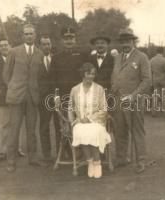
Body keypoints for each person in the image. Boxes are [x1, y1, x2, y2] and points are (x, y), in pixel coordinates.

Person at [3, 24, 44, 172]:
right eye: (26, 34)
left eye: (31, 34)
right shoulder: (13, 52)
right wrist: (13, 87)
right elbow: (6, 74)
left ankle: (32, 158)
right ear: (22, 36)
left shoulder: (40, 53)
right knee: (14, 129)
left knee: (31, 129)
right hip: (16, 97)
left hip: (32, 97)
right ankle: (11, 160)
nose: (29, 36)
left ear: (35, 36)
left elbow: (40, 76)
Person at [111, 28, 151, 173]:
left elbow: (147, 81)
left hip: (134, 101)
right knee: (119, 131)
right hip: (118, 101)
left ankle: (141, 161)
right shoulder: (117, 58)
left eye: (128, 41)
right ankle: (122, 158)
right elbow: (115, 77)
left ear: (133, 41)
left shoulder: (142, 57)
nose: (125, 44)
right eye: (122, 42)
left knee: (137, 131)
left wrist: (133, 96)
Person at [68, 63, 111, 179]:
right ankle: (90, 162)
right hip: (80, 122)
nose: (91, 76)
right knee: (81, 131)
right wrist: (72, 121)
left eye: (93, 74)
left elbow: (104, 109)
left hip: (96, 122)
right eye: (88, 74)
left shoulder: (99, 89)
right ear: (83, 74)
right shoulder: (75, 89)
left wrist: (89, 119)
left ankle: (97, 163)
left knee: (93, 132)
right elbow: (70, 108)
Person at [51, 27, 86, 157]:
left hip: (80, 96)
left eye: (71, 38)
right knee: (63, 125)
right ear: (62, 40)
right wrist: (56, 96)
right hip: (63, 96)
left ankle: (81, 152)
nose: (69, 41)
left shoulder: (83, 55)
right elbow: (53, 79)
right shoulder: (56, 57)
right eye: (66, 38)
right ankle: (65, 152)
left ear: (75, 39)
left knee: (80, 123)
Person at [0, 38, 25, 161]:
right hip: (2, 99)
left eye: (6, 45)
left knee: (17, 125)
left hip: (16, 98)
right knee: (3, 126)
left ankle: (17, 149)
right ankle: (3, 151)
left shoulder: (17, 61)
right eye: (1, 46)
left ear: (10, 46)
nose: (4, 47)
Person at [37, 36, 57, 165]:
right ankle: (47, 155)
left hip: (56, 98)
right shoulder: (36, 60)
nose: (46, 46)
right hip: (43, 99)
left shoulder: (56, 58)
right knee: (44, 127)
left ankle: (63, 152)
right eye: (44, 44)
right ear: (40, 46)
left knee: (60, 125)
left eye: (48, 44)